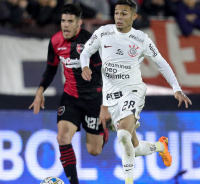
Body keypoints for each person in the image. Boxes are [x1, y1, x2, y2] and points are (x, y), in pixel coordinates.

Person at [80, 0, 192, 183]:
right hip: (111, 98)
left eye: (124, 13)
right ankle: (160, 146)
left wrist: (176, 88)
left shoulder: (141, 39)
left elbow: (161, 63)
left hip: (133, 91)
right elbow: (85, 52)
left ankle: (129, 181)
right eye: (116, 13)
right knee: (134, 146)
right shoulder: (103, 33)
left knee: (123, 134)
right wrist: (85, 66)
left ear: (134, 17)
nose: (119, 17)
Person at [29, 4, 110, 184]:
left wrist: (105, 106)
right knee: (62, 136)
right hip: (71, 97)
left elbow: (105, 74)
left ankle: (105, 129)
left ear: (79, 23)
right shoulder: (55, 41)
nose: (65, 25)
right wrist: (40, 91)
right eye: (63, 21)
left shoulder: (91, 42)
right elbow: (50, 70)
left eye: (70, 21)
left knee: (94, 150)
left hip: (93, 99)